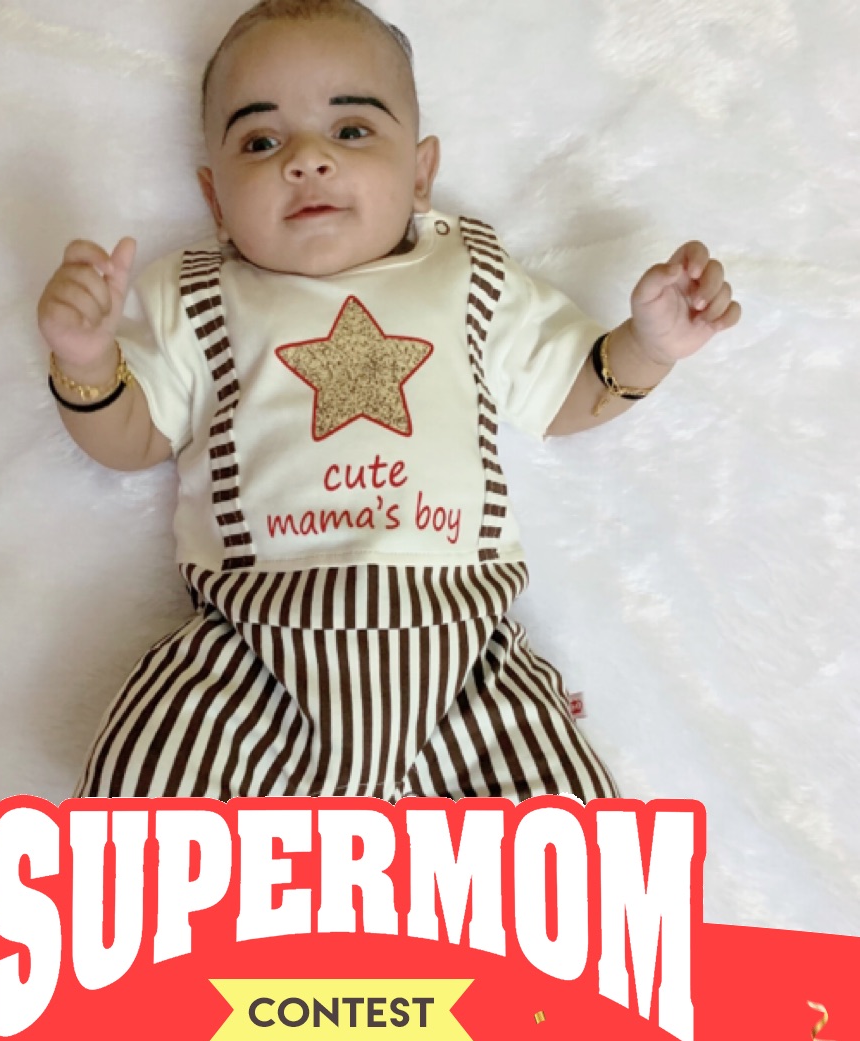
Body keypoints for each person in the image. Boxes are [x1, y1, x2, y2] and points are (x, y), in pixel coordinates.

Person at [37, 0, 740, 803]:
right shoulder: (198, 297)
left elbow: (565, 395)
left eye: (351, 130)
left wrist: (647, 346)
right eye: (261, 141)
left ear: (420, 174)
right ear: (216, 199)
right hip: (253, 655)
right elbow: (131, 439)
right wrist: (86, 360)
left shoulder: (469, 275)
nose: (307, 159)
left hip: (465, 664)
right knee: (142, 781)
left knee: (569, 826)